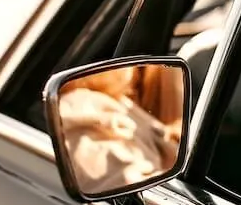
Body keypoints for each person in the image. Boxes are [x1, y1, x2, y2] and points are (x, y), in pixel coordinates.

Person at [56, 64, 186, 195]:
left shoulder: (121, 103)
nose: (135, 72)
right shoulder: (87, 107)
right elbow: (125, 179)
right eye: (137, 66)